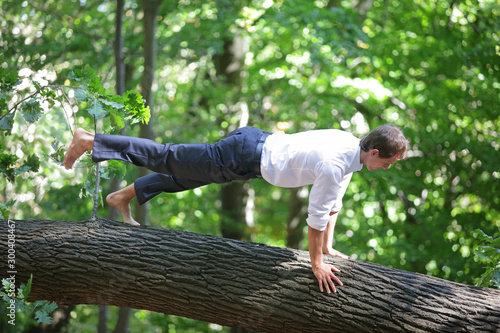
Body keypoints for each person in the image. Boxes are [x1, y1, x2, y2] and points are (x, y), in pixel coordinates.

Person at [63, 124, 408, 294]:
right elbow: (316, 217)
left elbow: (333, 205)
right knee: (170, 156)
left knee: (186, 175)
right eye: (389, 162)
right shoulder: (336, 164)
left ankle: (123, 197)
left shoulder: (350, 148)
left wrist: (329, 248)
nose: (387, 168)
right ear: (375, 153)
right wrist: (316, 263)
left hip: (251, 151)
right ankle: (92, 141)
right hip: (245, 154)